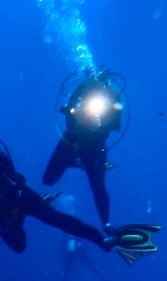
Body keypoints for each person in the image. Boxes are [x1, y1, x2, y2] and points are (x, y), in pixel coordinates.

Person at [0, 125, 159, 264]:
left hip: (17, 196)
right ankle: (17, 219)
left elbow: (14, 178)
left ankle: (104, 241)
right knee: (19, 246)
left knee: (57, 219)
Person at [43, 67, 122, 231]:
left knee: (98, 185)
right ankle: (76, 162)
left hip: (96, 147)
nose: (95, 85)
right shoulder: (80, 90)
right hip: (73, 141)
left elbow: (115, 126)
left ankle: (106, 223)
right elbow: (66, 112)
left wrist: (101, 123)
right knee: (48, 179)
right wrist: (76, 115)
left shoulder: (113, 96)